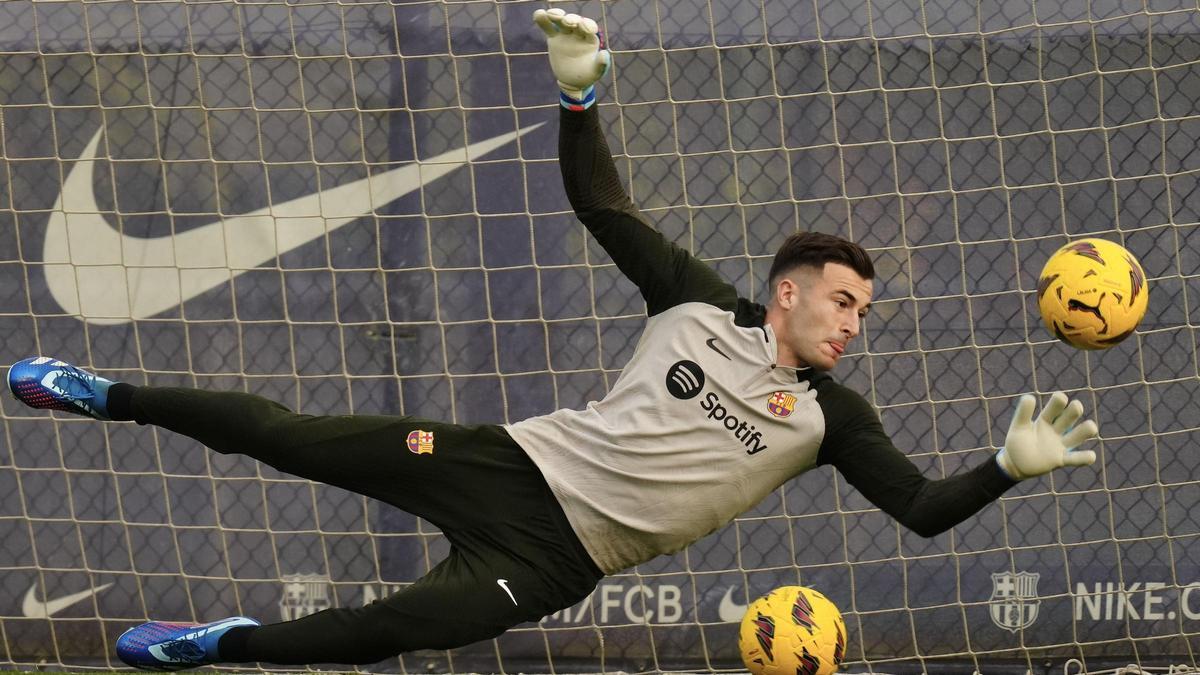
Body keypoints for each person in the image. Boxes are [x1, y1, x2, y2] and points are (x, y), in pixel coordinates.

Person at [6, 9, 1099, 671]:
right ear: (787, 293)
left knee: (387, 632)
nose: (856, 321)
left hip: (552, 561)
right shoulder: (698, 305)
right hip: (510, 466)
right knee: (291, 436)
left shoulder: (829, 420)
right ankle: (105, 393)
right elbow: (604, 210)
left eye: (864, 310)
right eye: (846, 300)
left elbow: (918, 512)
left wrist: (1004, 467)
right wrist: (580, 101)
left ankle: (215, 647)